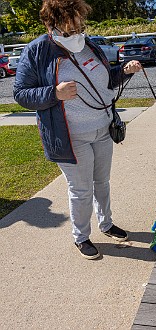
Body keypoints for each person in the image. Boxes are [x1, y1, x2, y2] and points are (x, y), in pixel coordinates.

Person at [13, 0, 142, 260]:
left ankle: (106, 224)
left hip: (102, 129)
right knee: (81, 190)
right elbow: (21, 93)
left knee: (102, 183)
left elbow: (104, 82)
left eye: (80, 27)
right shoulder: (37, 51)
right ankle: (81, 237)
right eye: (69, 29)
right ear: (52, 25)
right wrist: (54, 93)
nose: (77, 33)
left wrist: (124, 72)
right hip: (71, 137)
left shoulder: (89, 44)